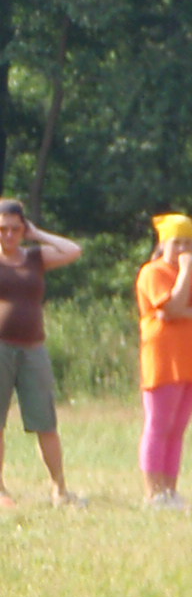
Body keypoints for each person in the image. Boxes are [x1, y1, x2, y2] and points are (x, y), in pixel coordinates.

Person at [136, 212, 192, 507]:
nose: (183, 249)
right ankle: (153, 492)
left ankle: (170, 490)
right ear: (163, 244)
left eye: (188, 243)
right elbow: (169, 306)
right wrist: (185, 273)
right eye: (177, 243)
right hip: (164, 358)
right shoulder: (153, 272)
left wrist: (183, 311)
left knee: (177, 429)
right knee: (159, 426)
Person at [0, 198, 83, 508]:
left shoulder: (35, 257)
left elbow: (73, 250)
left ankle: (60, 489)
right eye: (2, 229)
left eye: (15, 229)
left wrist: (38, 235)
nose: (9, 235)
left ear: (23, 229)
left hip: (33, 348)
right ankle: (0, 490)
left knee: (45, 423)